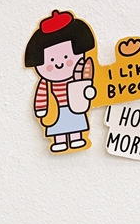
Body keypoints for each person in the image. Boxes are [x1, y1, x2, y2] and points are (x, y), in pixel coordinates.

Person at [25, 10, 97, 152]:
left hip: (75, 107)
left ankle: (76, 138)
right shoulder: (46, 83)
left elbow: (85, 89)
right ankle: (60, 140)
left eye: (66, 57)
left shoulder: (78, 75)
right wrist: (41, 109)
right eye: (51, 60)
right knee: (57, 126)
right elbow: (41, 95)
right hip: (55, 109)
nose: (59, 63)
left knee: (76, 123)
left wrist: (88, 91)